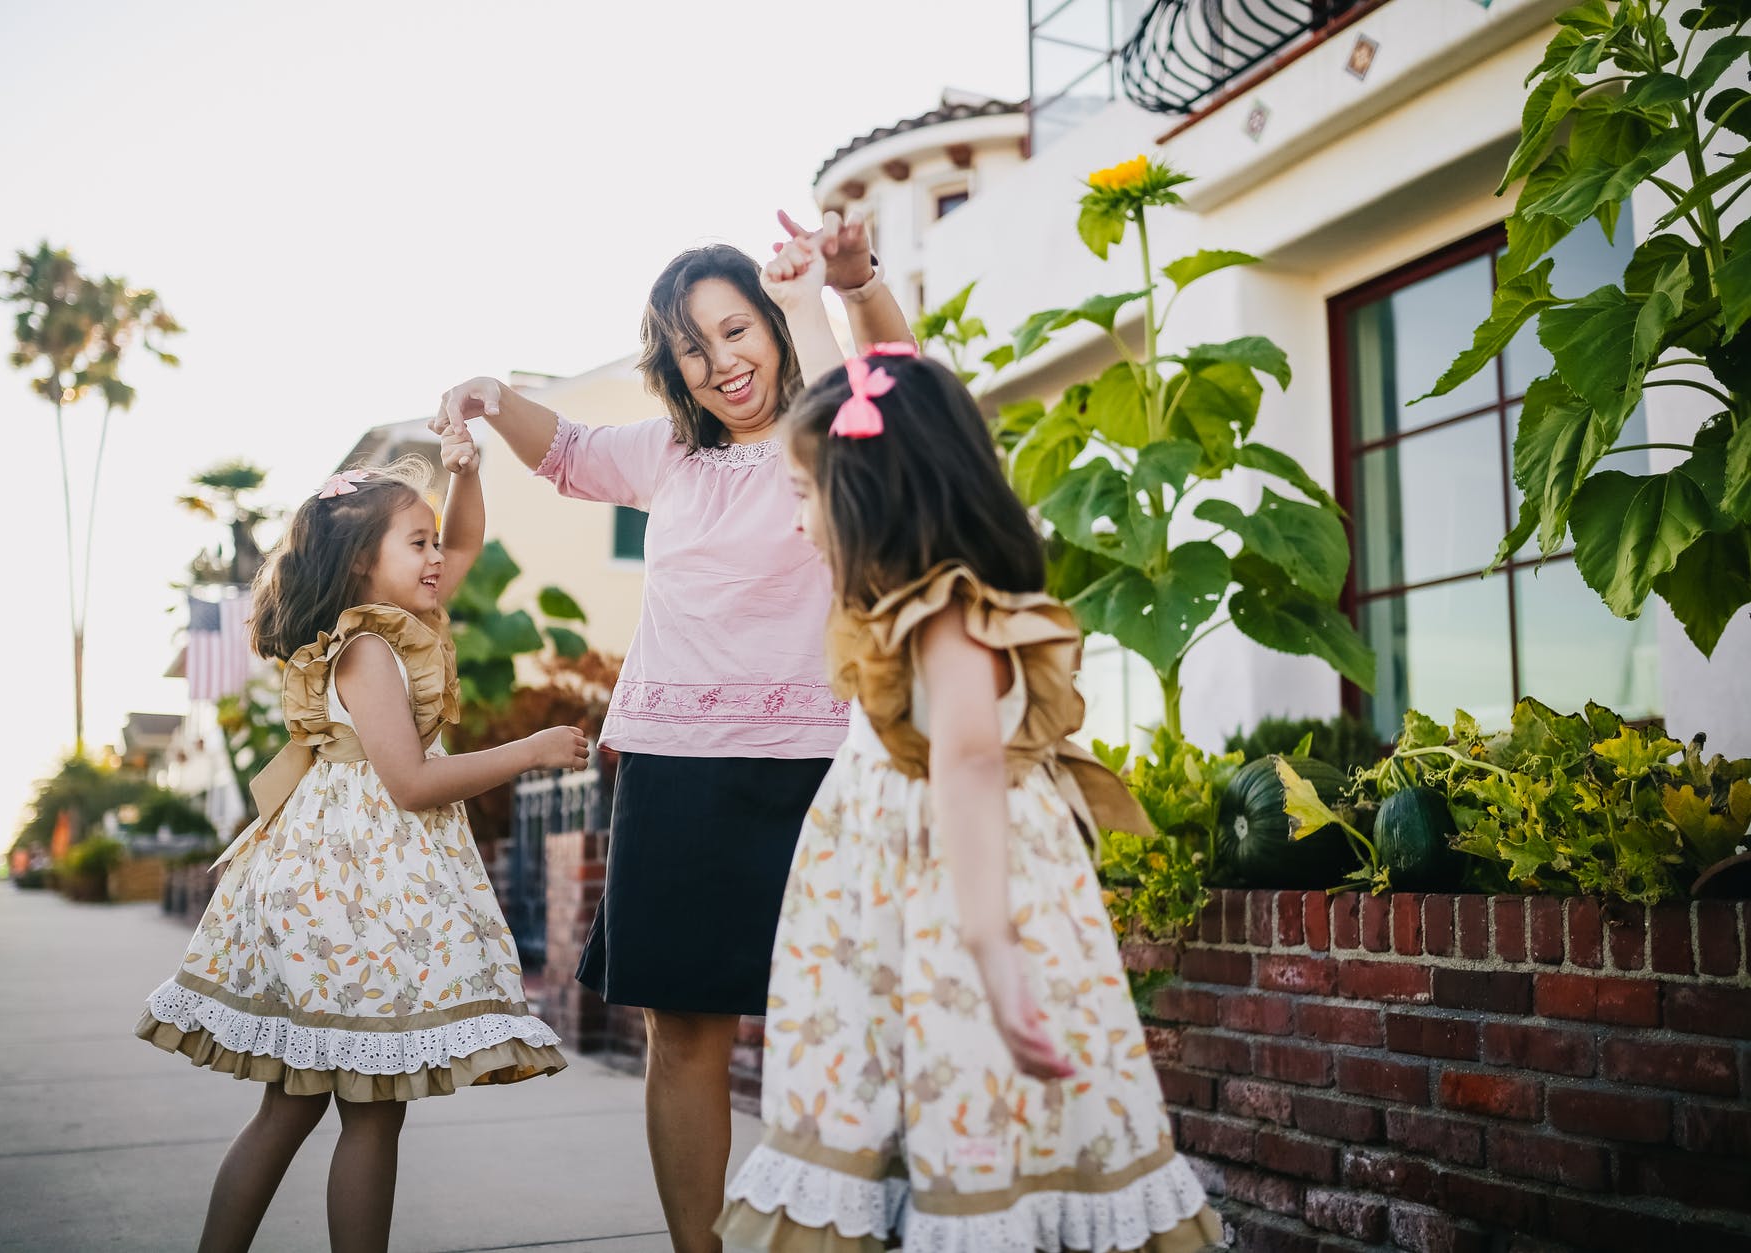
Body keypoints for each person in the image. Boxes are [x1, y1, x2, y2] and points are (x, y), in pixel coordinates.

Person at [713, 245, 1224, 1252]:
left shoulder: (946, 613)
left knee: (965, 1092)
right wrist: (820, 294)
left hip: (950, 903)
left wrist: (990, 946)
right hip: (891, 914)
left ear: (868, 495)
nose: (796, 514)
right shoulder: (901, 602)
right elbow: (859, 392)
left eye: (803, 492)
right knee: (904, 1103)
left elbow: (969, 763)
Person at [434, 213, 910, 1253]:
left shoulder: (833, 426)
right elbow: (560, 452)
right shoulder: (665, 456)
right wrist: (489, 392)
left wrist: (846, 282)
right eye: (691, 347)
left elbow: (896, 375)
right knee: (682, 1031)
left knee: (830, 1023)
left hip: (816, 771)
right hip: (673, 770)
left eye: (735, 330)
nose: (718, 362)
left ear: (776, 326)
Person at [136, 445, 588, 1253]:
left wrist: (470, 475)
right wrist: (531, 750)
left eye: (433, 541)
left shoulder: (393, 629)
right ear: (360, 561)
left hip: (346, 885)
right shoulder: (369, 651)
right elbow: (411, 781)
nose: (438, 556)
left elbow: (470, 545)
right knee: (364, 1109)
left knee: (304, 1103)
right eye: (417, 542)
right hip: (347, 894)